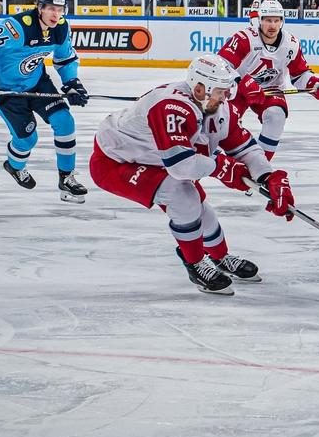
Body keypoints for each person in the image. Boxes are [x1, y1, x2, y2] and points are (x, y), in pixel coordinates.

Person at [88, 54, 297, 295]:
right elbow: (181, 166)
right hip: (116, 162)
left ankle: (220, 257)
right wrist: (221, 167)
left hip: (157, 159)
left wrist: (267, 177)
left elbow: (245, 149)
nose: (226, 97)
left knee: (201, 208)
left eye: (227, 90)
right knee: (183, 197)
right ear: (200, 89)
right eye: (221, 91)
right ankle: (196, 263)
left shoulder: (219, 108)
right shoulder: (171, 106)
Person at [0, 0, 89, 202]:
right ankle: (14, 166)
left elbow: (64, 58)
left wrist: (72, 82)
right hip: (7, 91)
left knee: (65, 121)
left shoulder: (61, 28)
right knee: (27, 140)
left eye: (60, 9)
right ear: (40, 7)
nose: (56, 14)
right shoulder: (17, 27)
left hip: (37, 82)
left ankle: (67, 178)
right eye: (51, 8)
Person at [218, 0, 319, 158]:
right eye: (268, 20)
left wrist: (315, 84)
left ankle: (260, 162)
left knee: (276, 115)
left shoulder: (291, 44)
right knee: (224, 122)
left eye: (276, 20)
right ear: (260, 20)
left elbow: (300, 74)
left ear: (282, 21)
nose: (272, 25)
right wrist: (241, 82)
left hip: (270, 89)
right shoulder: (244, 38)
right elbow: (221, 65)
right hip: (238, 89)